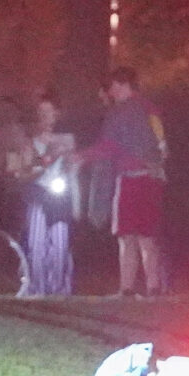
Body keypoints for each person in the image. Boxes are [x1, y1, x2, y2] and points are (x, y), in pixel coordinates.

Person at [88, 66, 169, 296]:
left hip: (131, 179)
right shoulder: (150, 109)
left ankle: (127, 288)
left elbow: (109, 146)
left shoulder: (120, 113)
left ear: (123, 85)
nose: (111, 92)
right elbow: (162, 145)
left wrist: (81, 156)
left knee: (126, 235)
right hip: (153, 178)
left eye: (113, 87)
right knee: (147, 235)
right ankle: (153, 287)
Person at [18, 93, 79, 297]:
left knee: (60, 245)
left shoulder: (67, 139)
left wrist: (77, 202)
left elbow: (73, 169)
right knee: (36, 245)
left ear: (57, 114)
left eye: (49, 112)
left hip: (60, 195)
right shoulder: (30, 142)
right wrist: (47, 160)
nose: (45, 116)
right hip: (38, 194)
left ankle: (59, 288)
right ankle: (37, 288)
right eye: (41, 112)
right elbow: (25, 172)